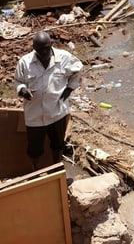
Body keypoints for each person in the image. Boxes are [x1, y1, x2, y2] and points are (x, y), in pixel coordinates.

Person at [15, 31, 83, 170]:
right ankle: (36, 171)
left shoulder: (64, 58)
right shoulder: (25, 62)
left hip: (57, 111)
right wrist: (22, 90)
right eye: (40, 50)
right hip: (34, 115)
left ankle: (57, 168)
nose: (44, 52)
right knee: (34, 149)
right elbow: (18, 81)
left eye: (46, 48)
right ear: (34, 48)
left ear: (51, 45)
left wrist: (70, 88)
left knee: (57, 144)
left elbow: (78, 70)